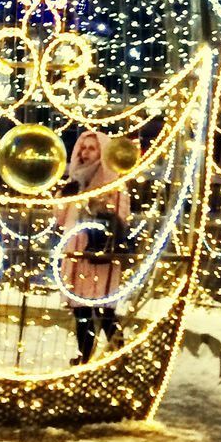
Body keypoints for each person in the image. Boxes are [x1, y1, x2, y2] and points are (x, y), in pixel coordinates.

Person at [57, 131, 130, 365]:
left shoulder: (114, 184)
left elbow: (121, 218)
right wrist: (63, 197)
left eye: (92, 148)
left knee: (103, 310)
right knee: (80, 308)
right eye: (83, 148)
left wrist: (98, 206)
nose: (85, 153)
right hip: (75, 249)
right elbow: (61, 219)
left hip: (98, 253)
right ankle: (85, 355)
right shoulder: (76, 181)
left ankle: (119, 353)